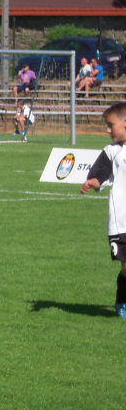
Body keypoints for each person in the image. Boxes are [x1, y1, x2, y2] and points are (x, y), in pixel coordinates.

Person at [81, 102, 126, 317]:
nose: (107, 130)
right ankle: (122, 300)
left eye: (111, 125)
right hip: (121, 221)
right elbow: (100, 174)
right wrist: (94, 182)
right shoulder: (111, 151)